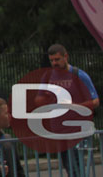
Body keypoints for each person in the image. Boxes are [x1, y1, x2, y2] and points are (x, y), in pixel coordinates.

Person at [42, 44, 99, 177]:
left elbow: (95, 101)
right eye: (52, 61)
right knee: (68, 163)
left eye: (57, 59)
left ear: (65, 57)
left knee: (75, 164)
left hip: (76, 128)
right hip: (59, 128)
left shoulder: (78, 75)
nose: (54, 63)